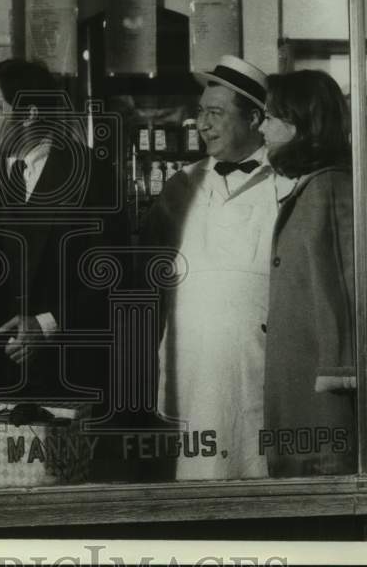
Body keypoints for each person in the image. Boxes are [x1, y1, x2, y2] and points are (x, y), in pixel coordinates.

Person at [0, 59, 126, 409]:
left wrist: (45, 325)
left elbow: (111, 275)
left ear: (29, 114)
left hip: (66, 368)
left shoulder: (90, 173)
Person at [143, 55, 293, 480]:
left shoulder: (287, 185)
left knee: (259, 471)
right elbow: (149, 280)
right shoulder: (180, 187)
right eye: (199, 113)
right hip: (189, 365)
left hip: (258, 363)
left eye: (216, 113)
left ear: (254, 118)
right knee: (197, 479)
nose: (203, 125)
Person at [258, 69, 357, 477]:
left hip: (323, 403)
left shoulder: (329, 189)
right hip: (304, 392)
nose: (261, 126)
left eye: (269, 116)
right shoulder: (314, 187)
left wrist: (339, 379)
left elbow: (347, 293)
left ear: (299, 123)